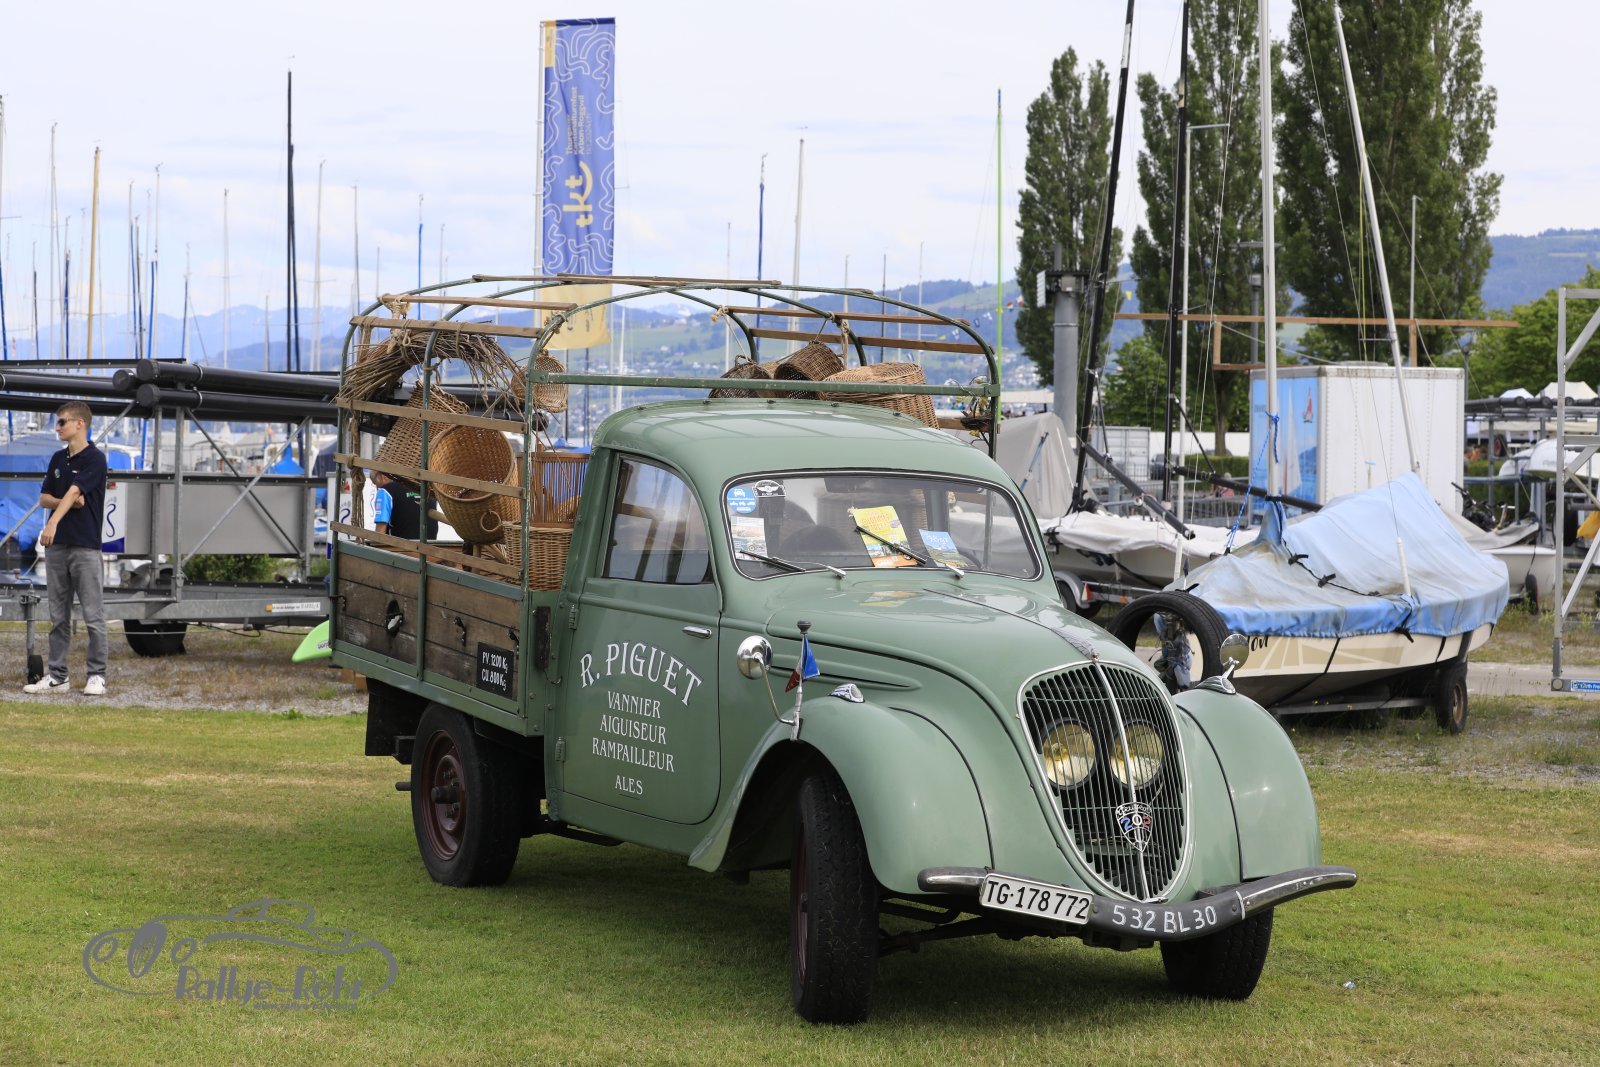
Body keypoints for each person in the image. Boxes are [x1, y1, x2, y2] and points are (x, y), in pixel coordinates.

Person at [24, 402, 108, 696]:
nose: (57, 427)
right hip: (57, 549)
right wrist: (68, 502)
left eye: (62, 422)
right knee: (58, 617)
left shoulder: (95, 459)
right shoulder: (58, 459)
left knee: (93, 616)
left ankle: (96, 676)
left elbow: (75, 491)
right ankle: (58, 676)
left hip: (85, 547)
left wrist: (52, 522)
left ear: (79, 424)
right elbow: (44, 497)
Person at [371, 471, 437, 541]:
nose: (376, 488)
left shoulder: (385, 490)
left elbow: (380, 530)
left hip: (400, 546)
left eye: (375, 483)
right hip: (431, 545)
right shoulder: (428, 489)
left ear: (383, 477)